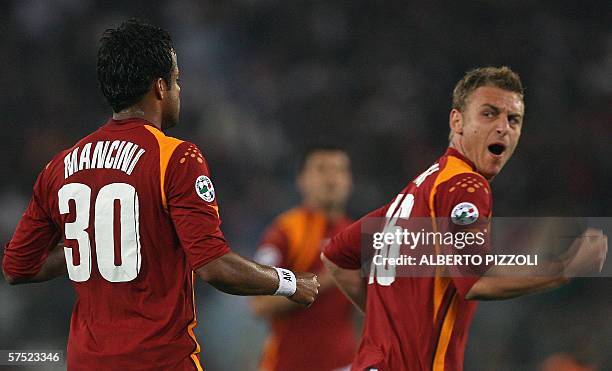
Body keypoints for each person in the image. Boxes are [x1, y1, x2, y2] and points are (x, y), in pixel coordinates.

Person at [2, 19, 319, 371]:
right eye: (177, 79)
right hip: (160, 362)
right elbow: (215, 267)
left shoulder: (60, 167)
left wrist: (93, 241)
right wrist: (290, 282)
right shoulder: (175, 158)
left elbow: (17, 267)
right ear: (159, 87)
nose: (180, 89)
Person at [321, 66, 608, 371]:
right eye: (489, 114)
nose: (503, 128)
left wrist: (390, 326)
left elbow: (336, 259)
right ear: (457, 121)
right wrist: (565, 268)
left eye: (513, 119)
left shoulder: (417, 191)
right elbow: (475, 280)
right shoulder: (466, 186)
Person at [250, 146, 357, 371]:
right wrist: (326, 280)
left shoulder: (356, 234)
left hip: (346, 363)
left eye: (339, 170)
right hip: (289, 364)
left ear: (349, 181)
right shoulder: (284, 232)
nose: (332, 179)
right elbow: (259, 304)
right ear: (302, 180)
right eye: (321, 169)